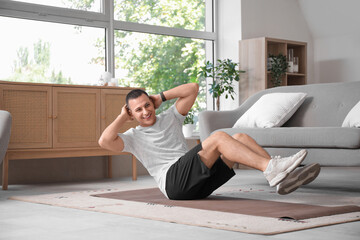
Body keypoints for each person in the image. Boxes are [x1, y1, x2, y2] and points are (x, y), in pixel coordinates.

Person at [98, 83, 320, 200]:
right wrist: (122, 116)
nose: (145, 111)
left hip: (198, 185)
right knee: (218, 138)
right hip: (174, 184)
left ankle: (279, 178)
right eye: (138, 109)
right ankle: (271, 167)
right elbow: (105, 141)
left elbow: (192, 89)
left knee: (240, 137)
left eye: (147, 105)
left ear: (152, 103)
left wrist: (161, 97)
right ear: (132, 113)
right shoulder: (134, 137)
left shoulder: (170, 118)